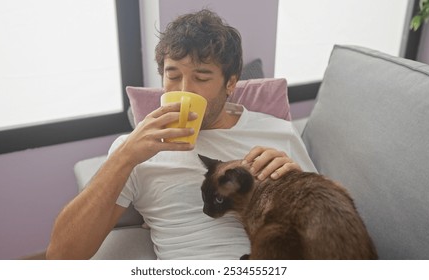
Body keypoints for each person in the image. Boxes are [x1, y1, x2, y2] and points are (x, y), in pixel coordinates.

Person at [46, 9, 316, 260]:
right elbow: (62, 256)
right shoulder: (134, 149)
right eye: (172, 75)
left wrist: (297, 190)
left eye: (201, 78)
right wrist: (125, 156)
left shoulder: (277, 132)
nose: (186, 90)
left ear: (231, 83)